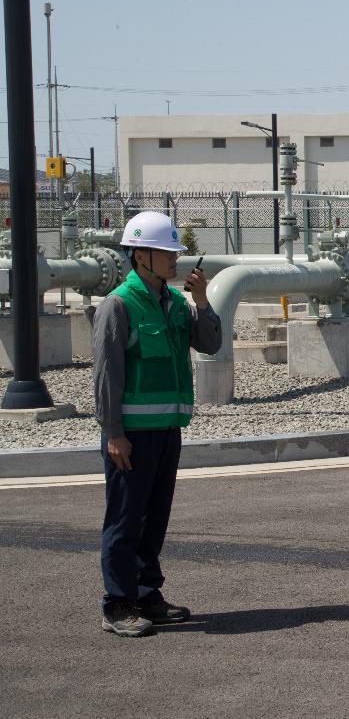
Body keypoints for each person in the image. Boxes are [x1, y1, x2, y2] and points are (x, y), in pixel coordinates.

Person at [94, 210, 221, 637]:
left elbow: (210, 343)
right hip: (130, 435)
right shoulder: (119, 304)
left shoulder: (175, 303)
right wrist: (113, 433)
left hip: (168, 429)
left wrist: (202, 302)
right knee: (126, 519)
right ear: (140, 255)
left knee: (154, 518)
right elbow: (106, 376)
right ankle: (118, 604)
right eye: (166, 252)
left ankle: (148, 594)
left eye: (175, 252)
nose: (174, 260)